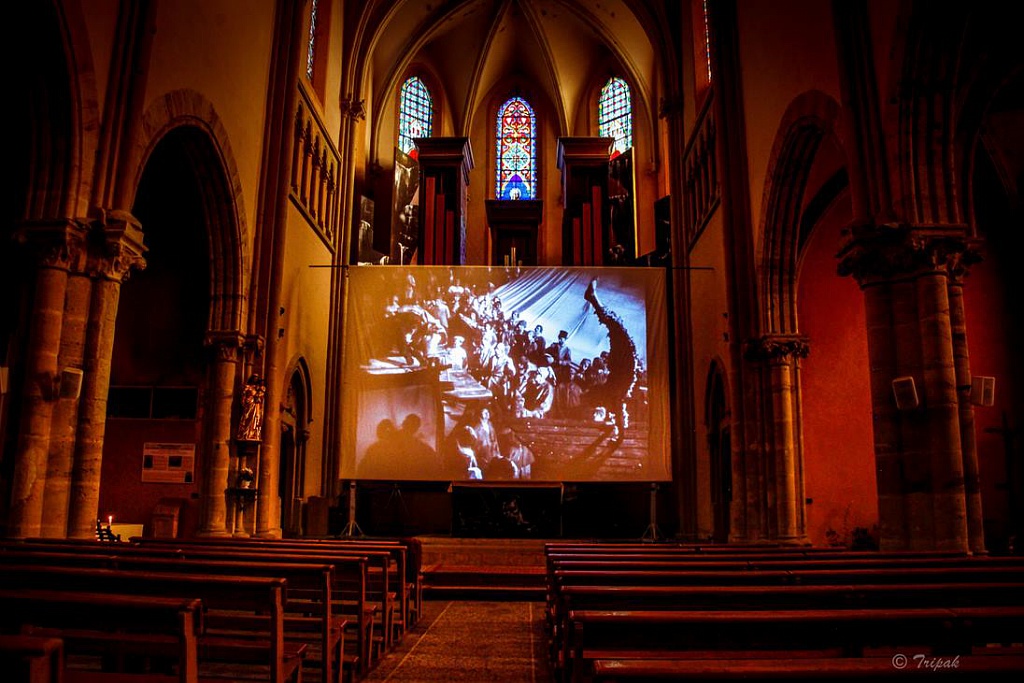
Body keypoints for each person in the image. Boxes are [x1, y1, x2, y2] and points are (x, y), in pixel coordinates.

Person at [583, 278, 640, 438]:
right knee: (616, 326)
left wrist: (618, 429)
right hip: (624, 366)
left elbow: (618, 408)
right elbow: (619, 408)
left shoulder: (613, 394)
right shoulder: (614, 395)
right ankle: (592, 298)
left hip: (623, 367)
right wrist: (619, 431)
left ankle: (592, 298)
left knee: (616, 326)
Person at [236, 375, 266, 442]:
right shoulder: (247, 387)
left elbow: (261, 395)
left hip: (255, 406)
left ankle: (252, 434)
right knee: (247, 418)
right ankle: (245, 434)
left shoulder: (257, 388)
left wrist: (259, 393)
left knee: (254, 419)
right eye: (254, 378)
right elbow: (243, 397)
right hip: (248, 405)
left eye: (256, 379)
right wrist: (244, 401)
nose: (255, 380)